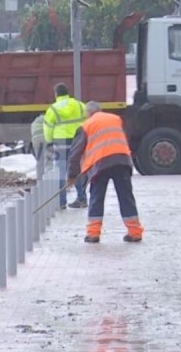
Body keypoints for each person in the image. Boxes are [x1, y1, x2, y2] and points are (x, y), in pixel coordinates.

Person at [67, 102, 144, 243]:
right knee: (126, 196)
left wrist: (72, 176)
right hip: (122, 161)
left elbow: (75, 153)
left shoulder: (86, 125)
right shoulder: (116, 119)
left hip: (100, 164)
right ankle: (135, 232)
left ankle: (93, 234)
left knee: (97, 197)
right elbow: (125, 138)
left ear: (89, 113)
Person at [43, 83, 87, 209]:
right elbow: (88, 119)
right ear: (68, 92)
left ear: (56, 94)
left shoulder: (53, 109)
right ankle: (82, 198)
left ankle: (61, 202)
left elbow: (48, 127)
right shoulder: (79, 105)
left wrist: (49, 142)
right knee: (77, 169)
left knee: (60, 172)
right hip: (77, 141)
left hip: (60, 141)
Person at [30, 114, 46, 180]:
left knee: (39, 160)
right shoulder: (47, 118)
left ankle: (40, 179)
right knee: (48, 160)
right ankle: (48, 179)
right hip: (45, 138)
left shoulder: (34, 122)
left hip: (36, 140)